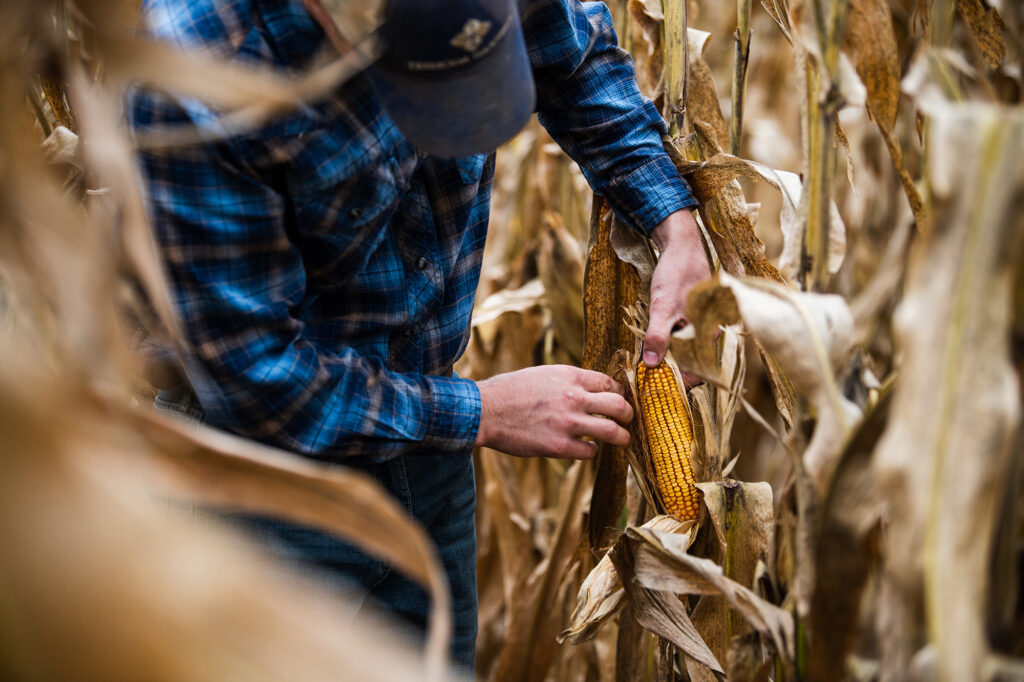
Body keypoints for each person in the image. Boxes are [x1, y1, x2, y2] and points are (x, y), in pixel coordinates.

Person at [130, 0, 709, 670]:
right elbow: (255, 377)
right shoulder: (198, 71)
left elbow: (570, 53)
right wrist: (482, 412)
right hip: (259, 489)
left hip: (430, 464)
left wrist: (672, 219)